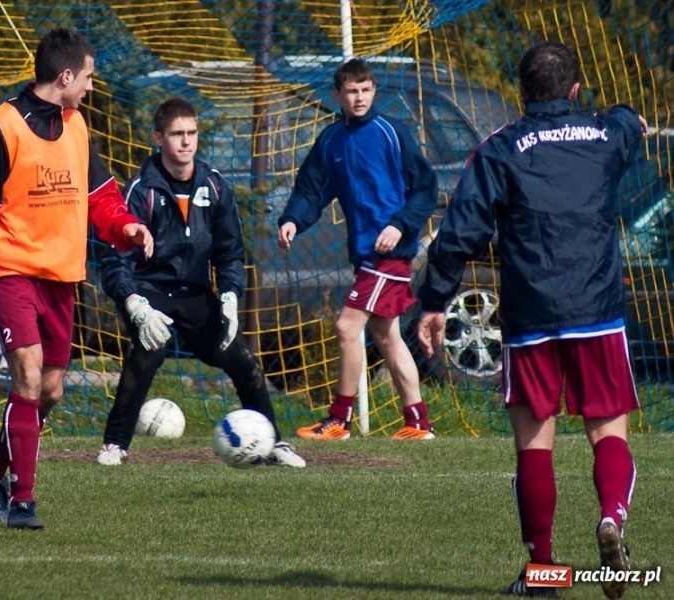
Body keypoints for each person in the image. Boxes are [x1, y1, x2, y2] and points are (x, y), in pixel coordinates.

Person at [416, 41, 647, 598]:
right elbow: (629, 123)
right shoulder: (604, 135)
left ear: (520, 93)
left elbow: (461, 230)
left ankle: (544, 572)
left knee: (534, 444)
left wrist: (433, 300)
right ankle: (611, 516)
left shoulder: (500, 149)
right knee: (606, 427)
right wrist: (619, 116)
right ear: (574, 89)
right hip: (596, 310)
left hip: (532, 314)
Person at [0, 28, 153, 529]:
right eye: (87, 78)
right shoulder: (0, 127)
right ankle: (23, 500)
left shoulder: (78, 125)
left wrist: (126, 226)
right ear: (65, 76)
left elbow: (100, 194)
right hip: (11, 272)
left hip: (63, 279)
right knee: (28, 376)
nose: (90, 86)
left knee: (53, 390)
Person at [96, 98, 305, 468]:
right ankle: (115, 444)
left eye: (192, 133)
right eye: (177, 134)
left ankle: (275, 443)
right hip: (149, 291)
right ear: (159, 137)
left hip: (195, 293)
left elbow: (230, 252)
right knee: (148, 353)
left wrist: (229, 297)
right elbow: (115, 260)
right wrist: (133, 303)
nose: (186, 141)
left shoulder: (215, 185)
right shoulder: (141, 189)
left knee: (241, 359)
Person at [277, 58, 438, 441]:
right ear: (337, 95)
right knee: (386, 335)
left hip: (390, 255)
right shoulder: (332, 140)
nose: (360, 97)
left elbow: (425, 190)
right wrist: (293, 220)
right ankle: (418, 423)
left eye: (366, 89)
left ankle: (339, 421)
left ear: (373, 91)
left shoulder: (390, 132)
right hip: (365, 255)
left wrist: (398, 226)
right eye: (352, 91)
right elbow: (311, 189)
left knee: (347, 327)